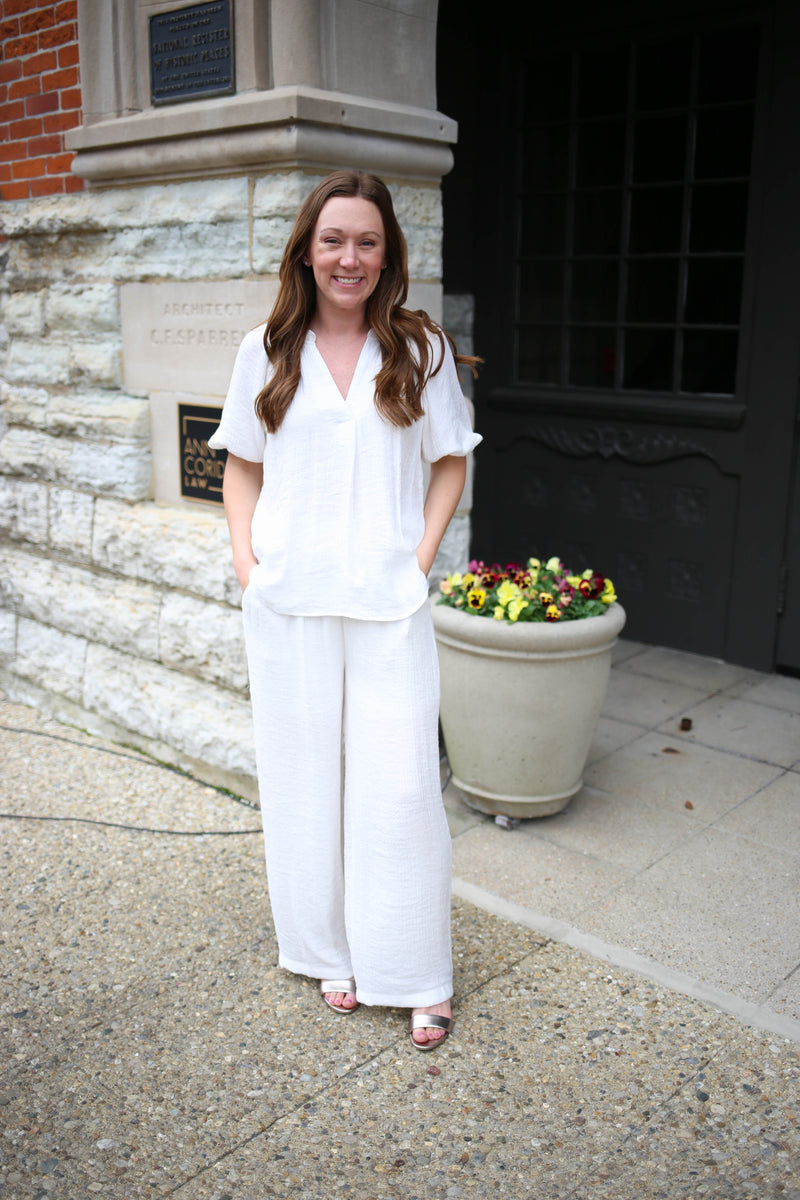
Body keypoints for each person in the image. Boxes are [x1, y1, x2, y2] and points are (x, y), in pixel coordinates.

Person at [209, 170, 481, 1051]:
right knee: (303, 781)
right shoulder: (267, 347)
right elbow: (241, 462)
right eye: (334, 240)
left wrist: (420, 552)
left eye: (367, 241)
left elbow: (450, 460)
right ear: (308, 249)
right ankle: (327, 949)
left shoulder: (419, 348)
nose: (349, 257)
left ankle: (416, 972)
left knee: (400, 785)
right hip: (287, 599)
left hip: (386, 598)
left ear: (388, 254)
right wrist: (248, 562)